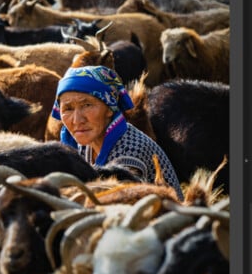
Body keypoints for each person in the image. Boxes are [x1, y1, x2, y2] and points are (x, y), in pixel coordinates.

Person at [52, 65, 183, 199]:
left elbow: (123, 204)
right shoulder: (83, 145)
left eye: (87, 105)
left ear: (110, 108)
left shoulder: (130, 151)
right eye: (68, 108)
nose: (76, 120)